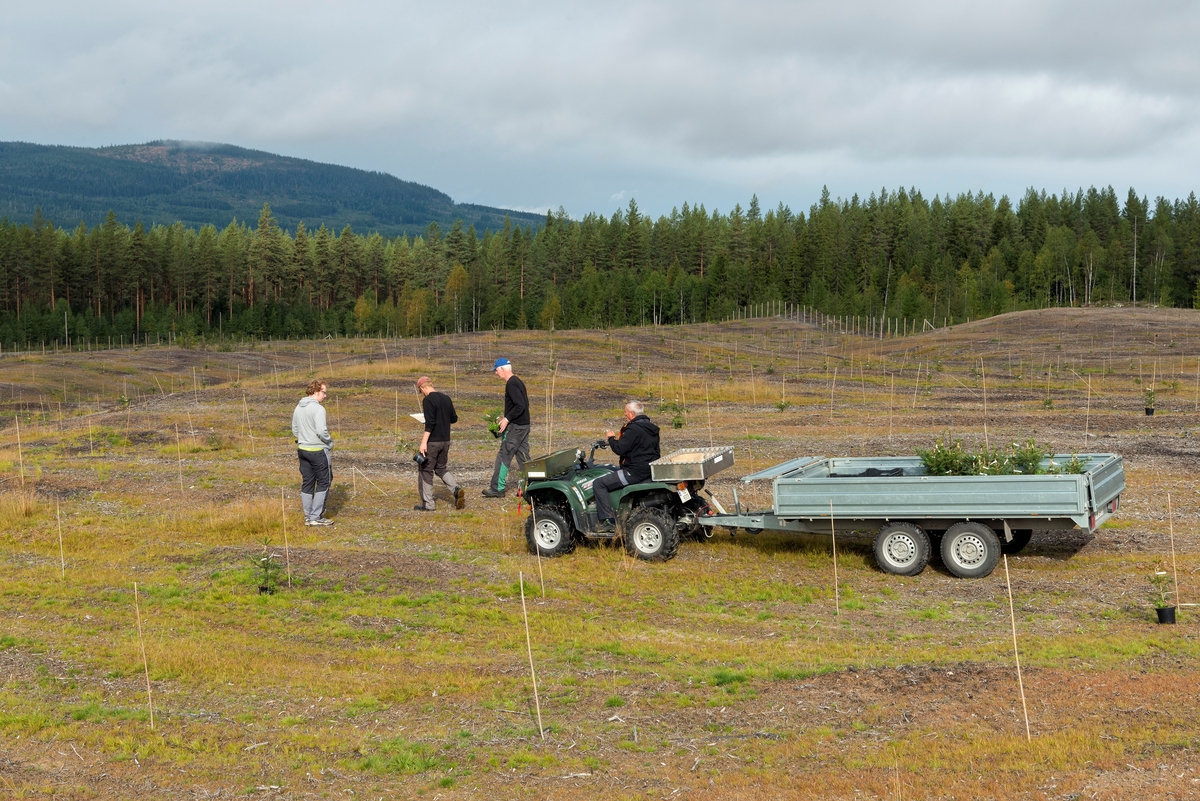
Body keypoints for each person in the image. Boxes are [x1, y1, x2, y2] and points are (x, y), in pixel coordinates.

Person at [593, 401, 660, 531]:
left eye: (625, 412)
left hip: (634, 473)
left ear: (631, 413)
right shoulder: (651, 428)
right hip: (649, 470)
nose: (624, 414)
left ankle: (608, 521)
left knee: (599, 484)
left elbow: (619, 449)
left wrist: (611, 438)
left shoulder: (633, 429)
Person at [415, 376, 465, 511]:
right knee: (441, 468)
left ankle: (428, 505)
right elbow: (454, 418)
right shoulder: (446, 398)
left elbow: (430, 424)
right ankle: (456, 489)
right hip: (445, 440)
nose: (422, 394)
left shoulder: (428, 400)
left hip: (433, 442)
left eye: (421, 391)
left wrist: (423, 442)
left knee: (425, 470)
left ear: (423, 388)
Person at [482, 357, 530, 497]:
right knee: (523, 458)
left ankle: (497, 488)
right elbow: (524, 404)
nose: (496, 373)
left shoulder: (511, 384)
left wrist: (507, 419)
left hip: (516, 428)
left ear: (502, 369)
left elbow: (520, 405)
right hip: (524, 426)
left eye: (496, 370)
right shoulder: (518, 381)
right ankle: (531, 486)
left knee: (504, 456)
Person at [292, 379, 334, 526]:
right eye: (323, 392)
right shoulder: (318, 409)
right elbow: (321, 431)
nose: (325, 396)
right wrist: (329, 442)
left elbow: (295, 429)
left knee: (308, 482)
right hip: (317, 450)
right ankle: (316, 517)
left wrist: (303, 439)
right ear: (316, 392)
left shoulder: (298, 407)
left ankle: (308, 516)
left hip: (302, 450)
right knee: (324, 481)